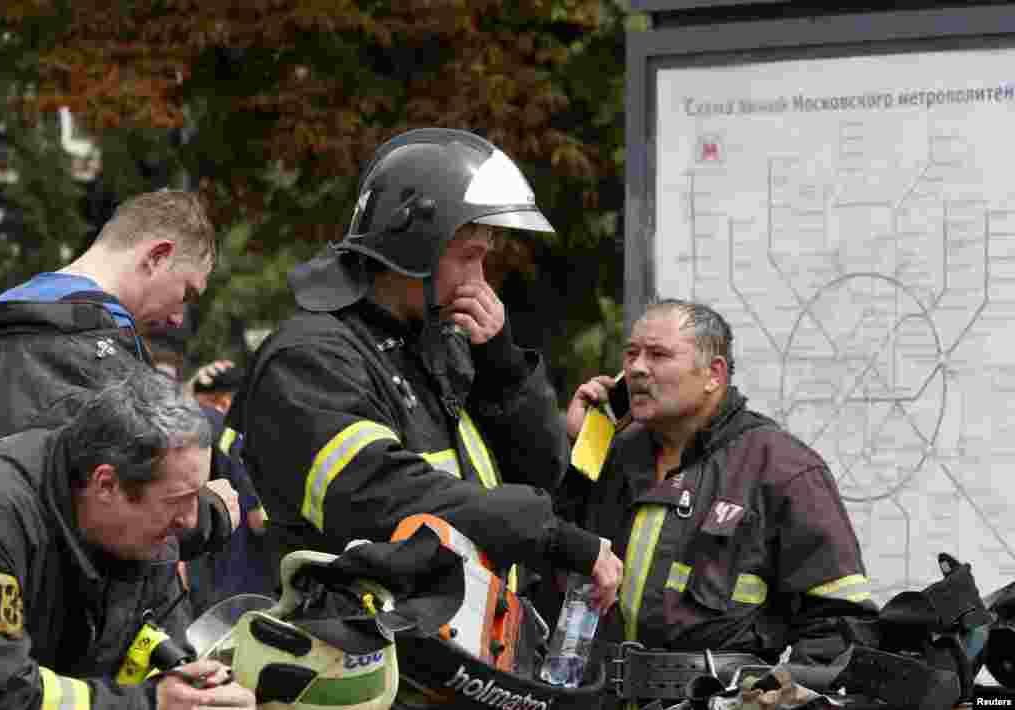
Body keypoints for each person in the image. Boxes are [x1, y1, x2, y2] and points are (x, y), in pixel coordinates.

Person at [227, 128, 622, 617]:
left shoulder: (442, 344)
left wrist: (503, 368)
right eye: (469, 257)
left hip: (449, 648)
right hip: (352, 655)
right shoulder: (309, 360)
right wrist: (554, 538)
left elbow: (544, 474)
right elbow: (382, 495)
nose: (480, 280)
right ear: (413, 248)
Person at [564, 298, 877, 708]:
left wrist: (758, 704)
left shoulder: (783, 469)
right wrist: (583, 449)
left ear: (714, 374)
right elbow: (550, 565)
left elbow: (841, 631)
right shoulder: (613, 454)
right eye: (632, 353)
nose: (638, 368)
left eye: (658, 354)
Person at [0, 372, 256, 710]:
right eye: (178, 499)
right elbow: (5, 692)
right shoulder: (2, 519)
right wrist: (150, 702)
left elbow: (158, 643)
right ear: (106, 484)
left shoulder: (145, 534)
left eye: (197, 495)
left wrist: (197, 690)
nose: (191, 521)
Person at [0, 188, 214, 440]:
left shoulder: (6, 306)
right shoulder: (109, 344)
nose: (177, 318)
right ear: (157, 257)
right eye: (186, 294)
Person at [188, 360, 272, 613]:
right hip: (244, 579)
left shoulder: (183, 431)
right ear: (226, 401)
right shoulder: (233, 436)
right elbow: (259, 520)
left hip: (202, 570)